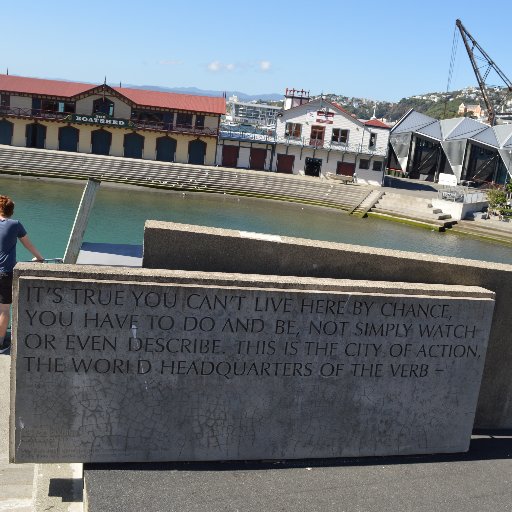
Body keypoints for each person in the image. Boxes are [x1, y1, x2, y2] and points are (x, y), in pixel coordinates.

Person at [0, 195, 44, 353]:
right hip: (5, 272)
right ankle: (0, 344)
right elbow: (28, 244)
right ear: (11, 211)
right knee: (4, 309)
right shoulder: (15, 225)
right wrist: (39, 258)